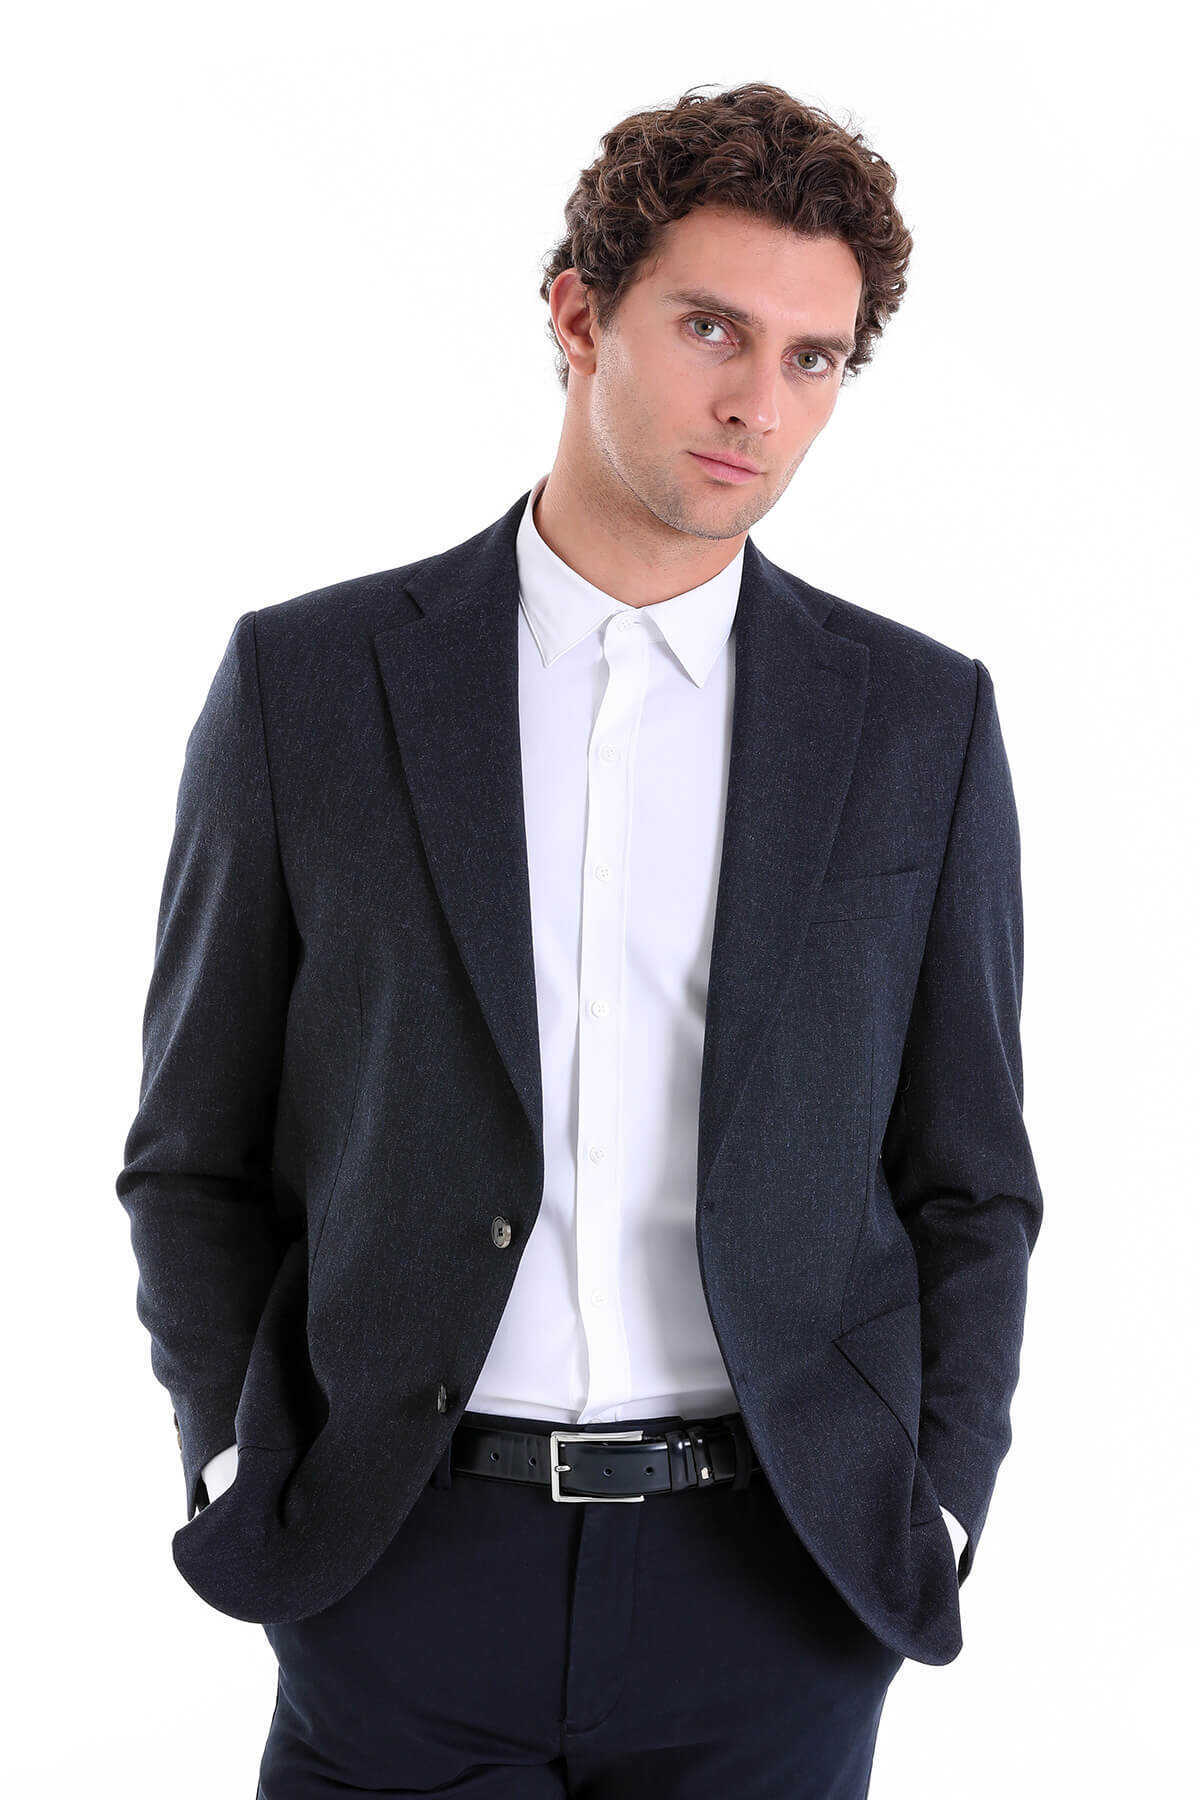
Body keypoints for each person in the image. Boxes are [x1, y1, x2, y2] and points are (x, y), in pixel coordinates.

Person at [116, 79, 1043, 1798]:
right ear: (577, 315)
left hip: (774, 1585)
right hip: (399, 1566)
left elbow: (971, 1177)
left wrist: (934, 1499)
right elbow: (191, 1147)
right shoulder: (311, 687)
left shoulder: (919, 723)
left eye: (813, 358)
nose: (757, 402)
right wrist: (242, 1462)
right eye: (711, 327)